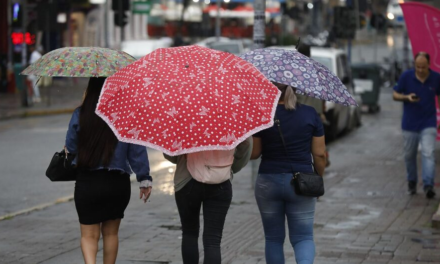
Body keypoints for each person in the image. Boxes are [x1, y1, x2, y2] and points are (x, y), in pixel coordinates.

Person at [65, 77, 153, 264]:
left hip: (88, 183)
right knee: (111, 233)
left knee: (89, 235)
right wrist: (144, 179)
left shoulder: (81, 114)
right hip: (116, 183)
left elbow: (71, 147)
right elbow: (136, 151)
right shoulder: (126, 115)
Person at [251, 82, 327, 264]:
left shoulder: (263, 114)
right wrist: (318, 179)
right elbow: (319, 154)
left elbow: (254, 154)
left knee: (273, 239)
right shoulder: (310, 114)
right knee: (303, 237)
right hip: (301, 184)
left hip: (268, 181)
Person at [163, 138, 252, 264]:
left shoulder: (186, 118)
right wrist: (231, 167)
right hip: (221, 181)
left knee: (189, 233)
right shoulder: (232, 118)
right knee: (213, 239)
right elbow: (247, 143)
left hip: (187, 181)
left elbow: (170, 154)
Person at [392, 52, 440, 199]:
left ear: (428, 65)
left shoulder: (436, 78)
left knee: (428, 153)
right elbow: (395, 94)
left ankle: (428, 185)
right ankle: (412, 181)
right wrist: (406, 97)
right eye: (417, 66)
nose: (420, 70)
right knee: (409, 155)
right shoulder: (407, 77)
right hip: (409, 124)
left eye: (423, 67)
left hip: (428, 122)